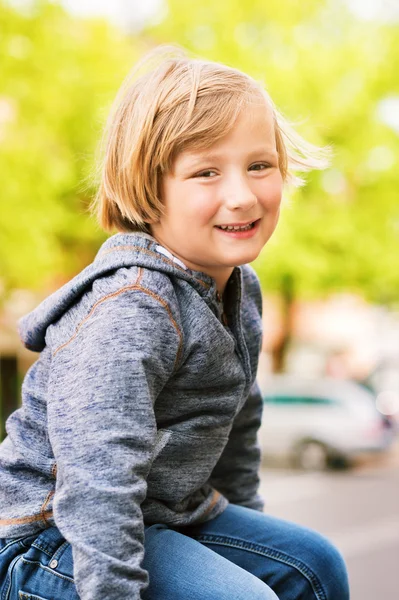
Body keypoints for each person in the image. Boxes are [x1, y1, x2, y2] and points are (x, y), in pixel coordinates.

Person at [0, 46, 349, 600]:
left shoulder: (238, 288)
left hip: (163, 515)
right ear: (148, 189)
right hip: (50, 539)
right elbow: (95, 485)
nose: (242, 195)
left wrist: (250, 546)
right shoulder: (132, 310)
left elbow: (237, 426)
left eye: (259, 165)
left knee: (312, 566)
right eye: (205, 172)